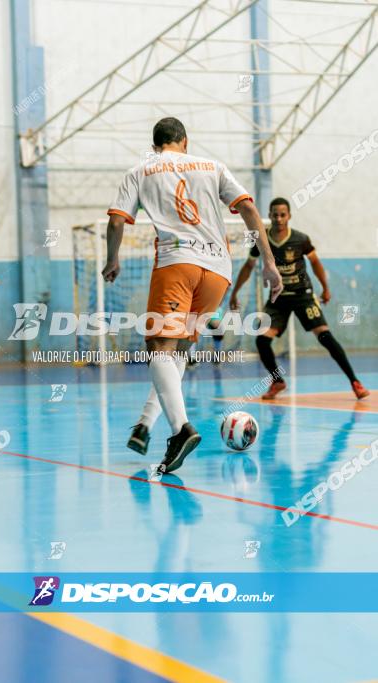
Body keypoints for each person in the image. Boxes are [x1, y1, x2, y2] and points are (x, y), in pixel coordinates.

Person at [102, 117, 282, 473]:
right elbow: (248, 208)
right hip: (218, 271)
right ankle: (145, 424)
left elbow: (117, 221)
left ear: (156, 145)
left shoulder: (141, 170)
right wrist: (269, 264)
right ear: (184, 141)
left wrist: (112, 259)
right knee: (180, 348)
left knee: (157, 348)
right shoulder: (212, 165)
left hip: (177, 264)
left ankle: (180, 430)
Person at [229, 197, 369, 400]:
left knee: (325, 337)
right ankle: (277, 381)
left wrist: (325, 288)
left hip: (303, 295)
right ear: (269, 216)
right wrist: (234, 292)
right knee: (261, 341)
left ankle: (355, 381)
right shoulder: (262, 240)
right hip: (278, 298)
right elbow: (248, 267)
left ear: (289, 216)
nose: (279, 218)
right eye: (275, 214)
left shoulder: (300, 239)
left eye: (282, 214)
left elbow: (315, 263)